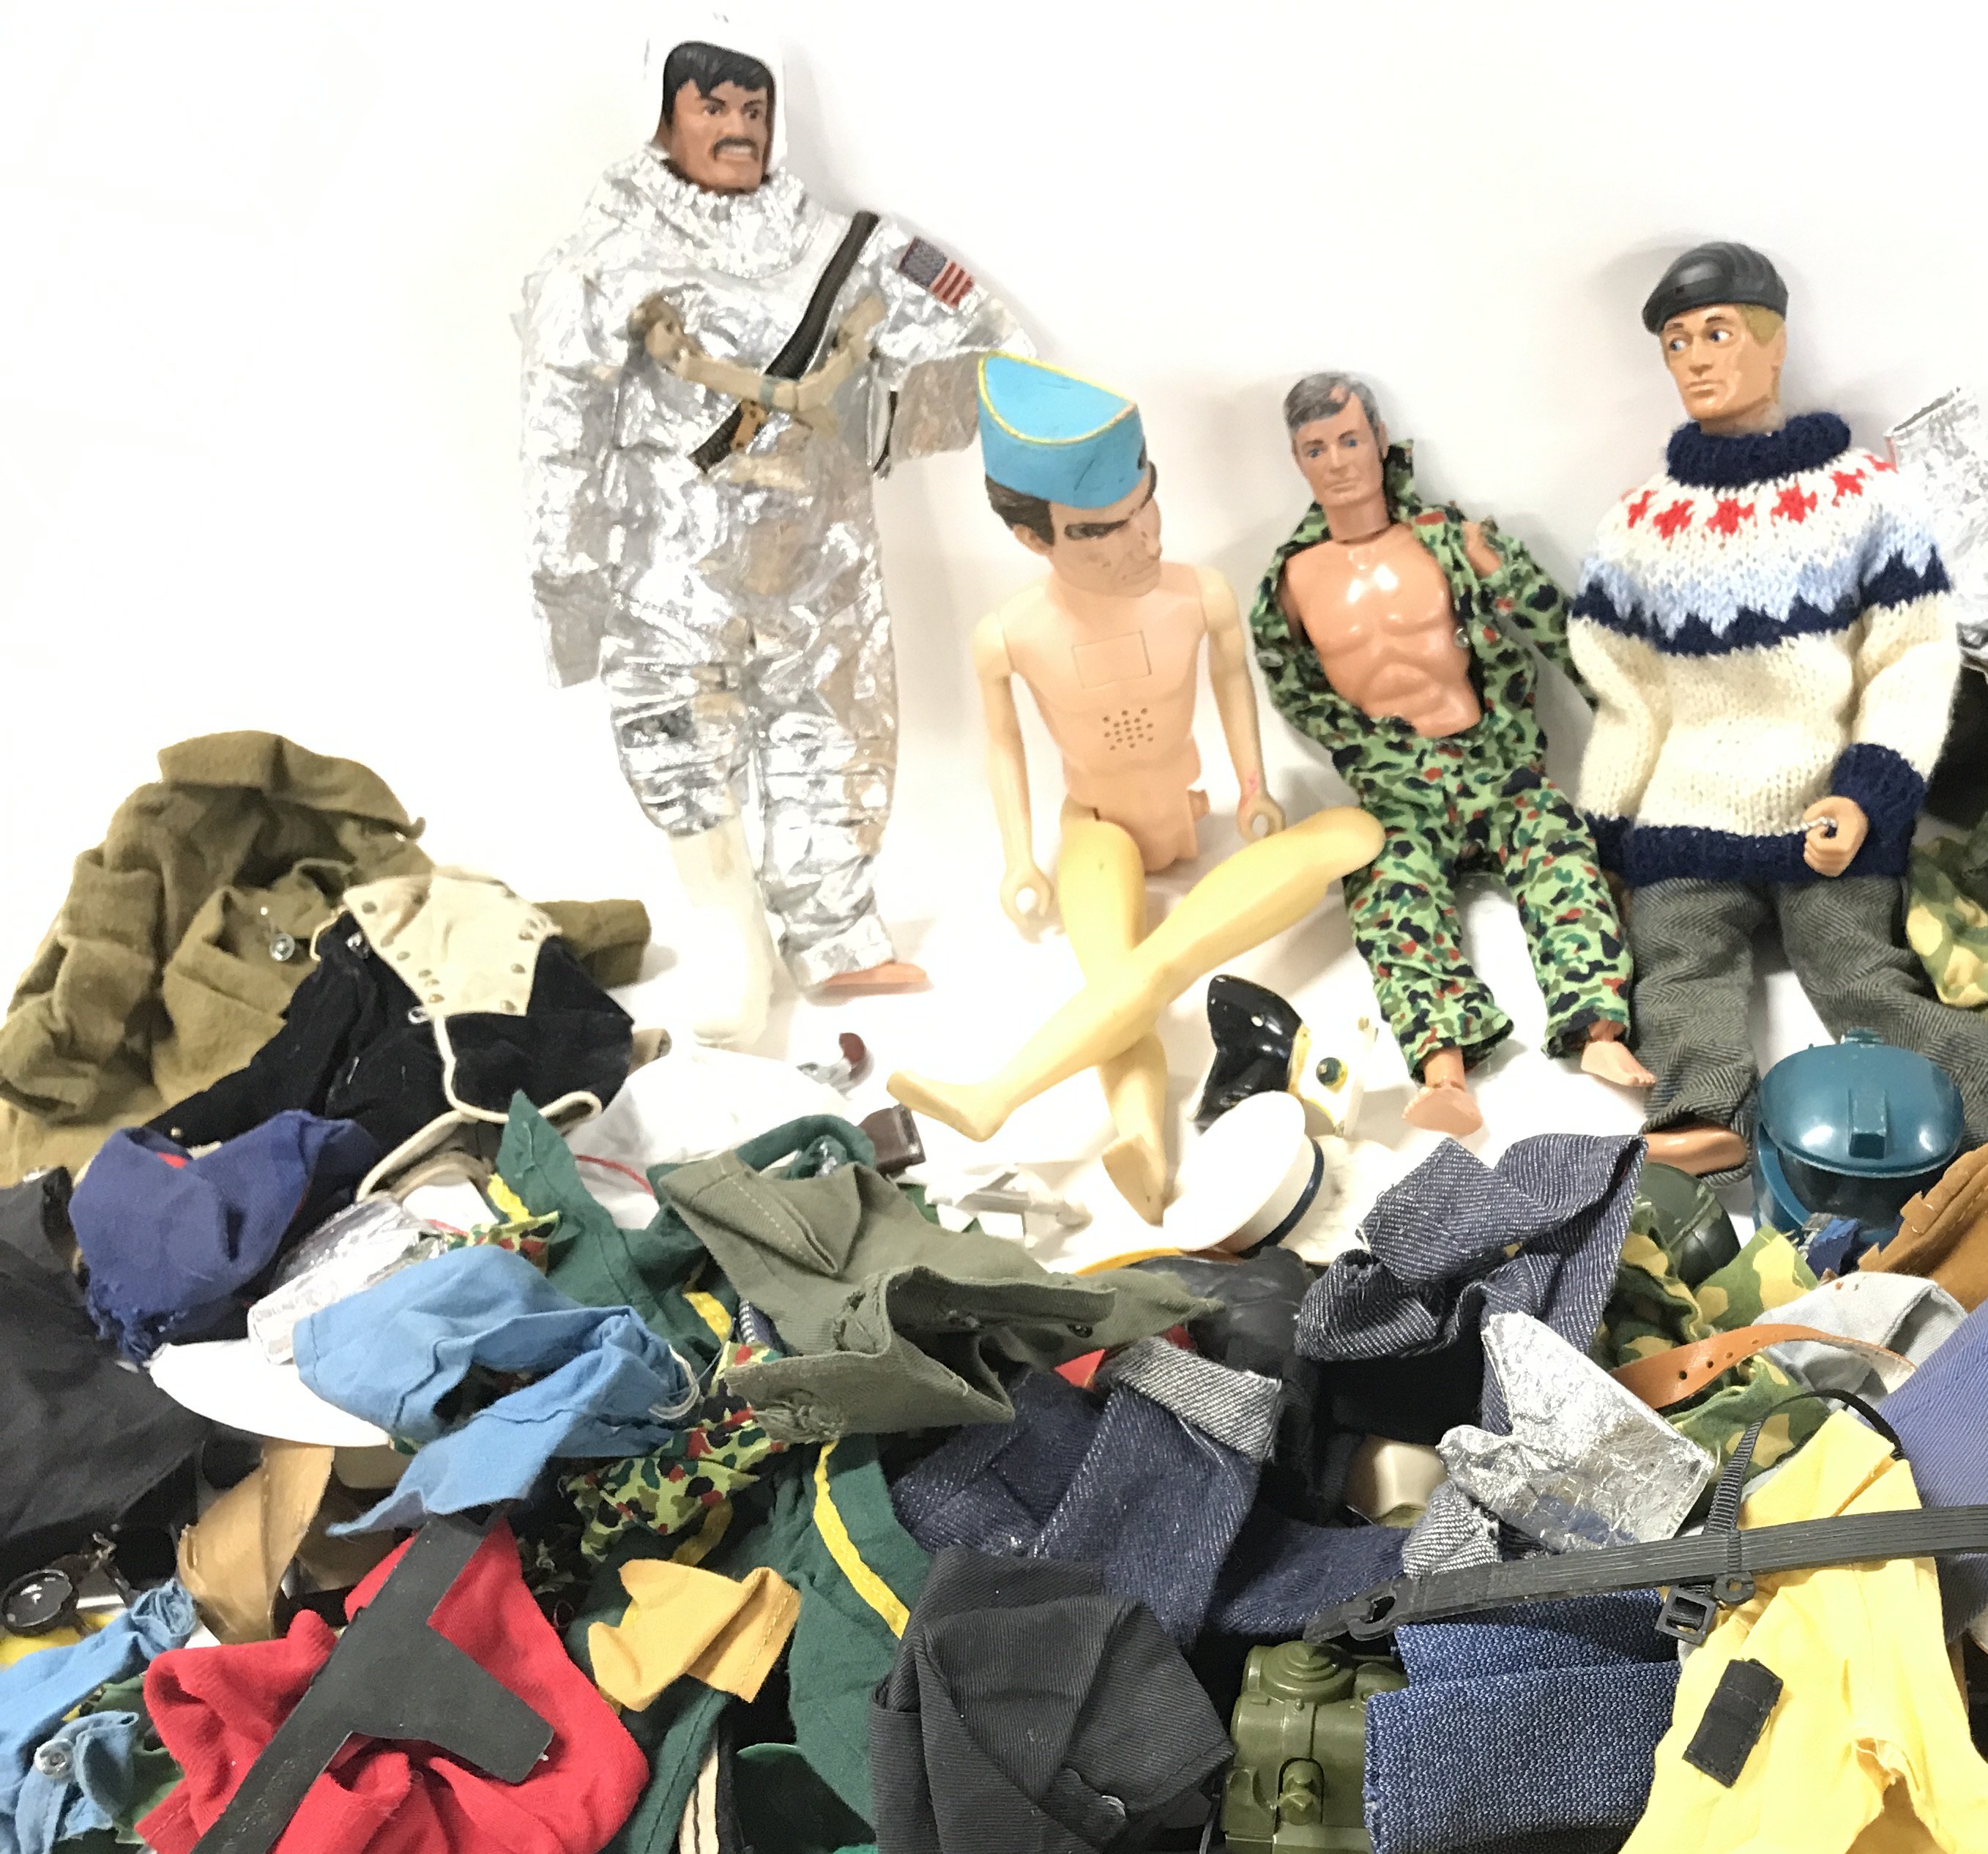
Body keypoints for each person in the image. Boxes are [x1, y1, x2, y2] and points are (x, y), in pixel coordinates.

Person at [518, 35, 1023, 1041]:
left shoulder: (842, 249)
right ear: (669, 119)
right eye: (714, 108)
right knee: (679, 749)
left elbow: (989, 347)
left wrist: (893, 414)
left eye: (754, 111)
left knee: (833, 732)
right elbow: (559, 423)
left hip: (819, 561)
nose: (738, 128)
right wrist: (570, 582)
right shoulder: (603, 259)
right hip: (671, 570)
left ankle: (834, 935)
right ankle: (730, 941)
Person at [1569, 241, 1988, 1172]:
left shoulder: (1862, 495)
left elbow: (1911, 659)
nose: (1696, 360)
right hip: (1686, 813)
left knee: (1862, 979)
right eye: (1675, 342)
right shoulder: (1638, 524)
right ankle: (1699, 1111)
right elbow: (1627, 695)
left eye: (1717, 333)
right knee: (1678, 967)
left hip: (1826, 809)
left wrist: (1867, 795)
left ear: (1775, 342)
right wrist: (1609, 839)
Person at [888, 357, 1382, 1221]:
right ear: (1034, 539)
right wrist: (1018, 857)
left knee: (1189, 943)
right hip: (1097, 829)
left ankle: (1004, 1097)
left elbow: (1233, 687)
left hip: (1192, 814)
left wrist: (1254, 788)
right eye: (1100, 531)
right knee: (1123, 979)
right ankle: (1139, 1142)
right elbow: (1002, 747)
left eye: (1146, 503)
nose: (1144, 539)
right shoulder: (1009, 634)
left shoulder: (1197, 596)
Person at [1252, 374, 1648, 1136]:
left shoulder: (1448, 539)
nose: (1337, 462)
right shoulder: (1292, 584)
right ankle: (1443, 1070)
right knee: (1390, 900)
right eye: (1315, 448)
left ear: (1380, 440)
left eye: (1349, 439)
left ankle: (1600, 1031)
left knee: (1565, 859)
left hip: (1497, 765)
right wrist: (1368, 748)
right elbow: (1290, 687)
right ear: (1297, 461)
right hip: (1397, 789)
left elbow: (1558, 628)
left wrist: (1628, 721)